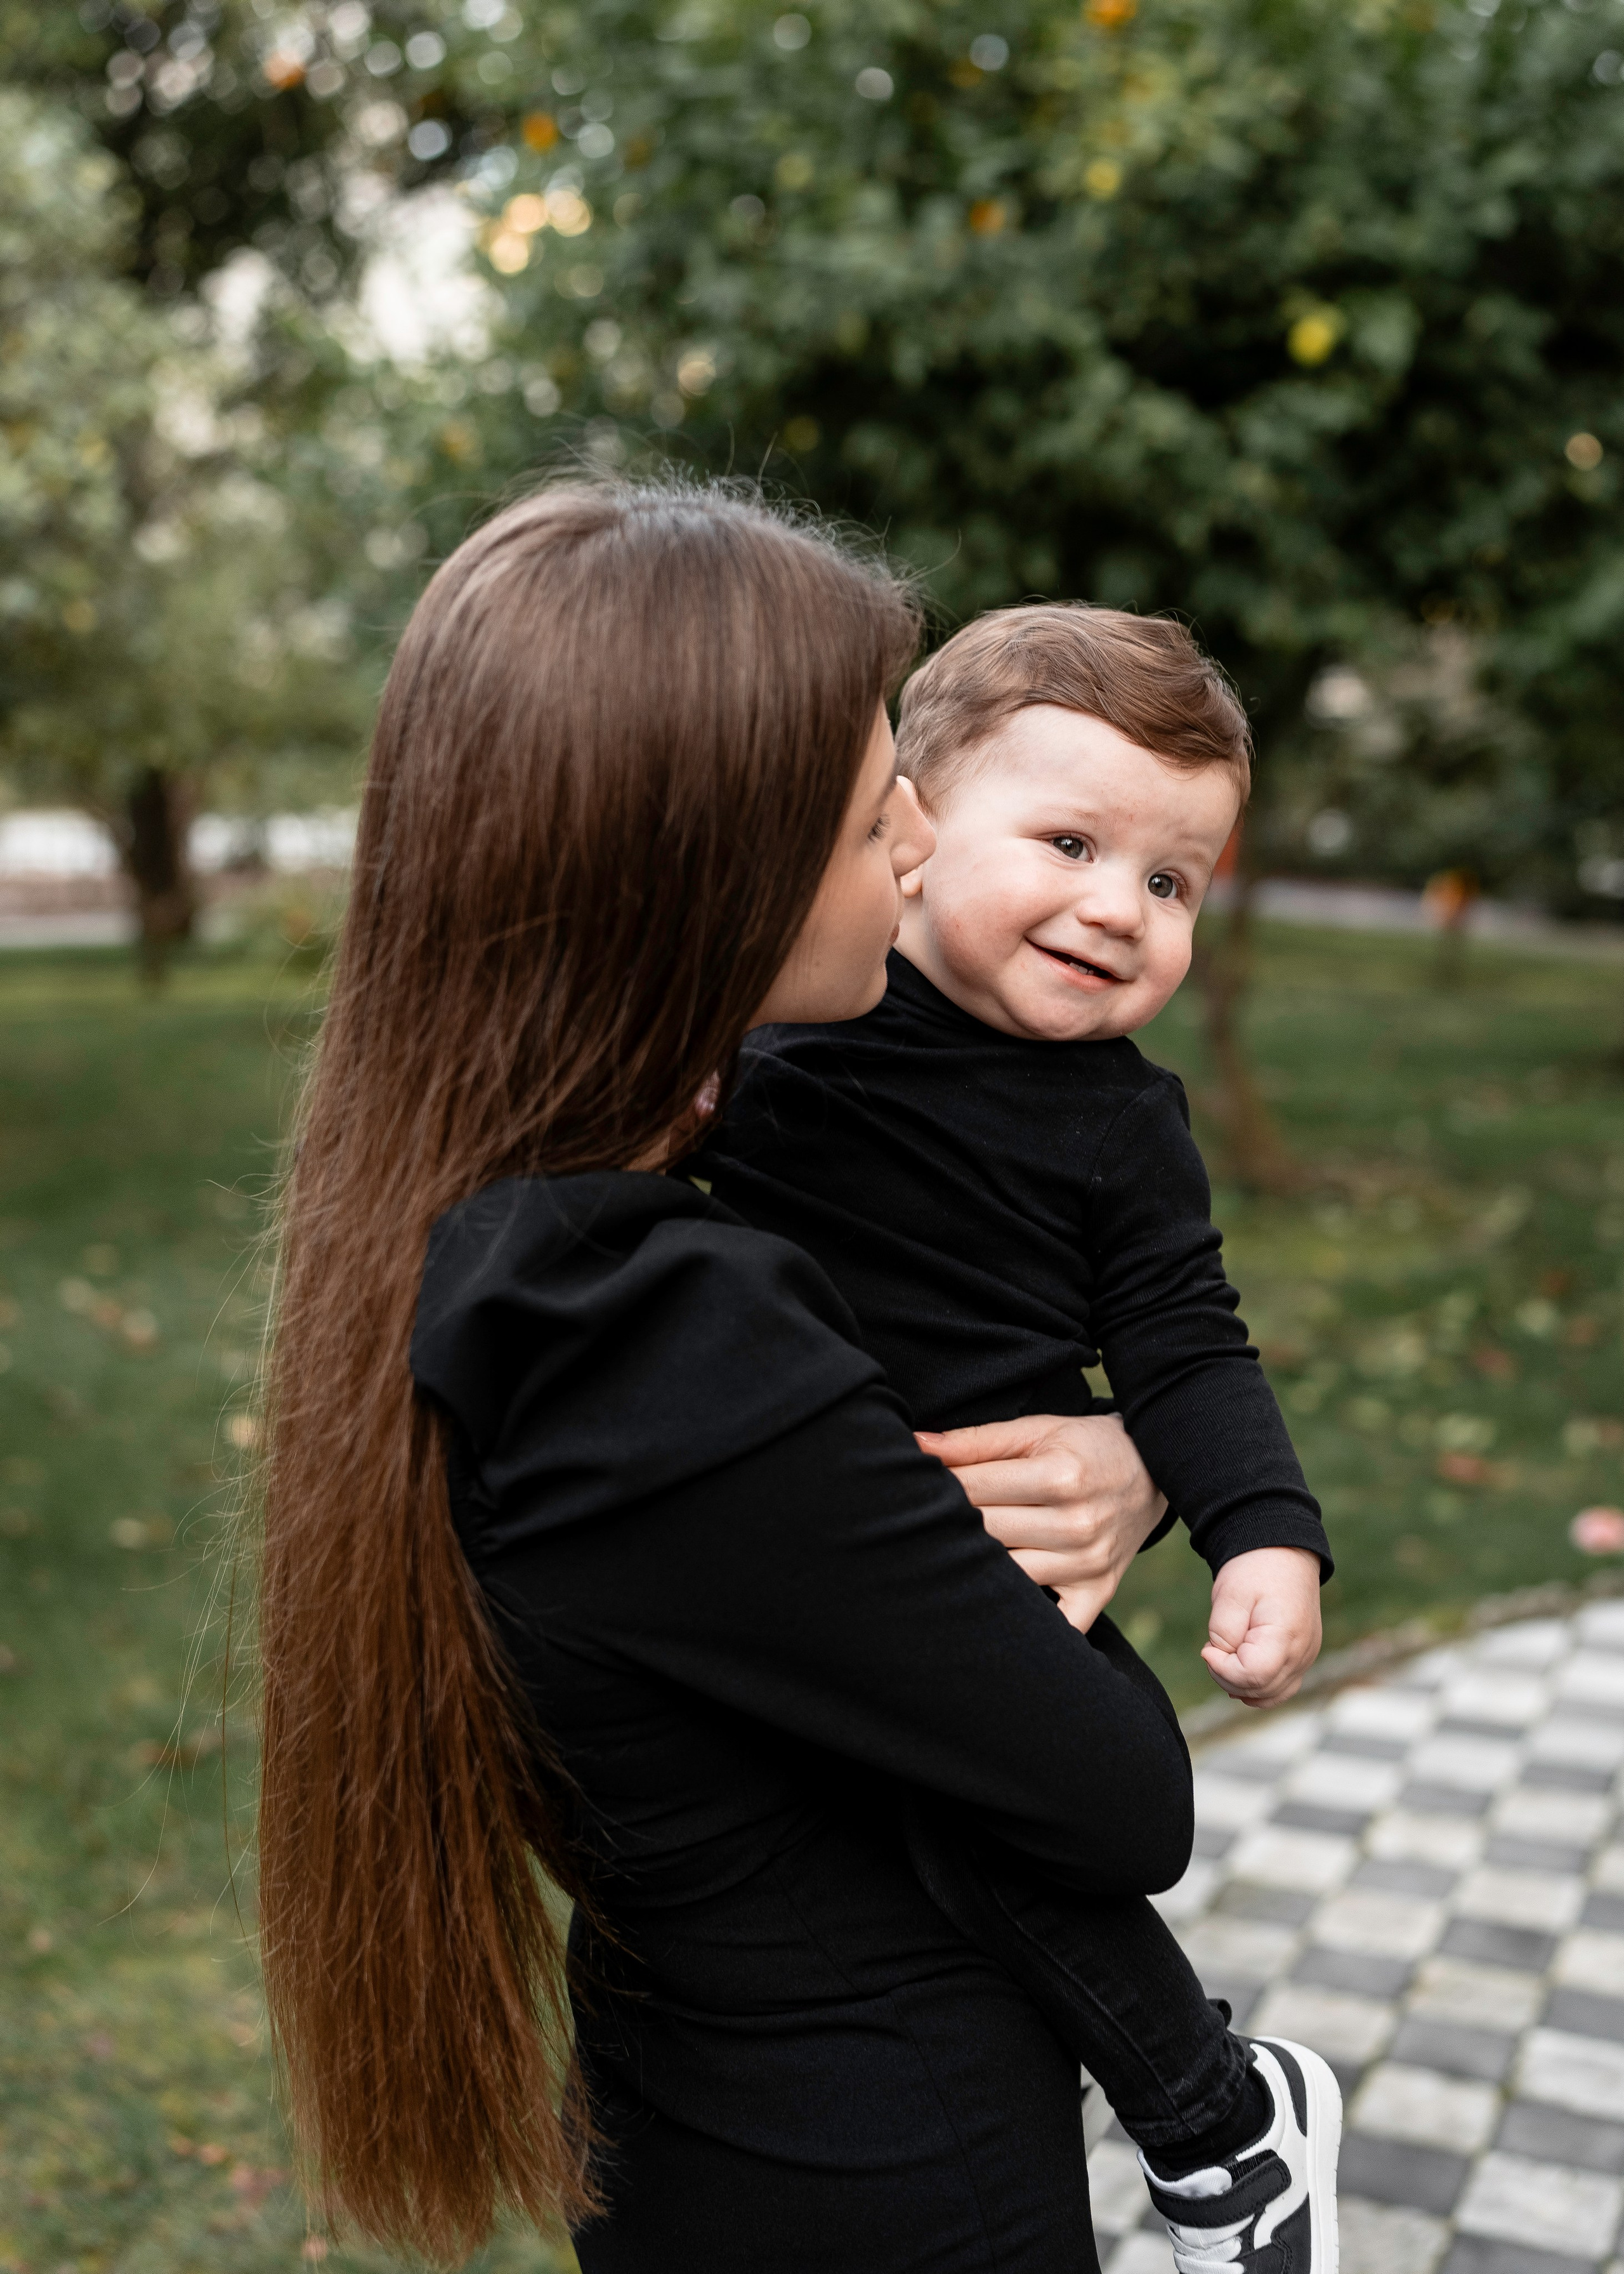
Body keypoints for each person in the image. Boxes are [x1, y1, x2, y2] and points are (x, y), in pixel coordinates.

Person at [254, 481, 1220, 2274]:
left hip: (710, 2124)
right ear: (708, 877)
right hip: (880, 2181)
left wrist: (1146, 1451)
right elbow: (1119, 1794)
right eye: (877, 819)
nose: (928, 851)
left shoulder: (511, 1232)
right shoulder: (658, 1334)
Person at [693, 603, 1342, 2272]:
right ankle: (1227, 2116)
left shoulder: (1120, 1126)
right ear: (907, 829)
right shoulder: (778, 1035)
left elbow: (1187, 1340)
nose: (1119, 909)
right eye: (1071, 842)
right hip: (820, 1573)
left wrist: (1257, 1528)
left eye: (1172, 881)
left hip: (994, 1596)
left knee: (993, 1824)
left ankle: (1214, 2128)